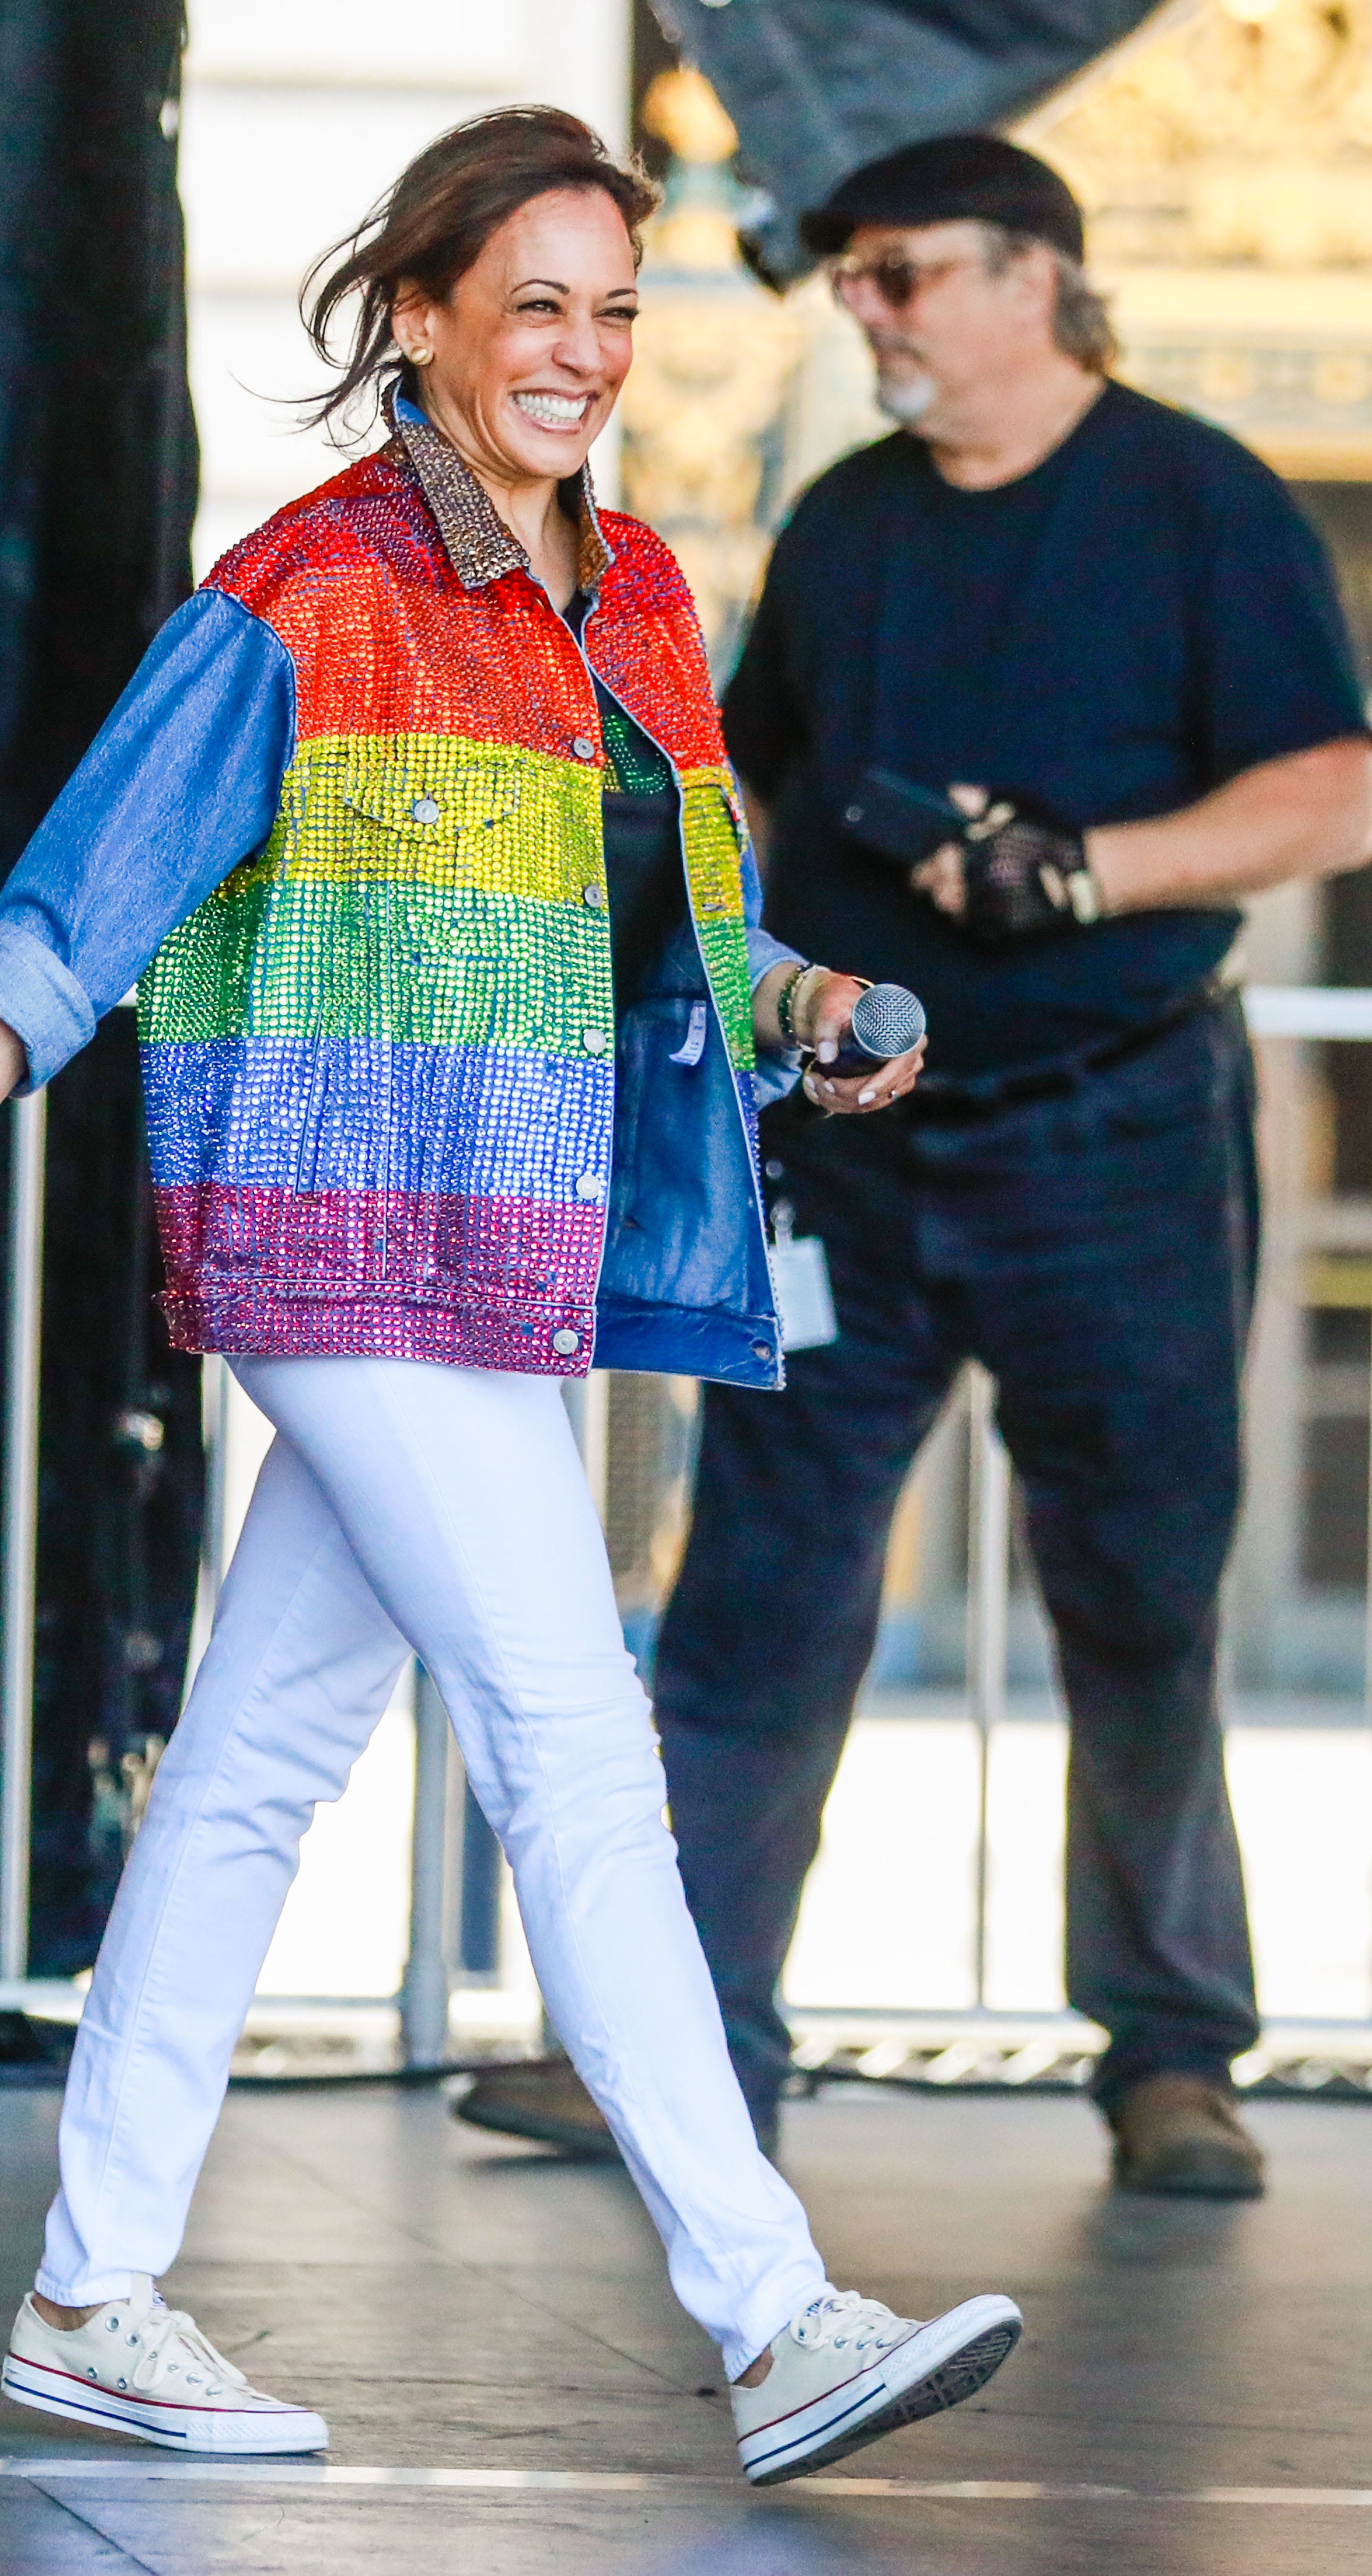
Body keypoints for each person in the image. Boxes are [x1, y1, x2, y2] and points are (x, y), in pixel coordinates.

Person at [0, 109, 1018, 2488]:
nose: (582, 352)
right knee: (576, 1735)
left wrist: (807, 1005)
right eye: (538, 303)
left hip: (509, 1258)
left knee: (254, 1766)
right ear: (430, 314)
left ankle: (88, 2287)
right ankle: (771, 2312)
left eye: (618, 311)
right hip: (333, 1237)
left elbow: (676, 925)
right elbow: (76, 910)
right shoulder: (300, 596)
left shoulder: (642, 599)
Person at [460, 132, 1372, 2193]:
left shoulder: (1198, 501)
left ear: (1031, 276)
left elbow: (1336, 790)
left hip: (1118, 1128)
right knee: (763, 1595)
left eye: (899, 274)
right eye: (851, 278)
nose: (862, 309)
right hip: (856, 1142)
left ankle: (1167, 2055)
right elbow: (752, 790)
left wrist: (1088, 870)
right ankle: (672, 2049)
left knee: (1137, 1589)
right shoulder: (855, 518)